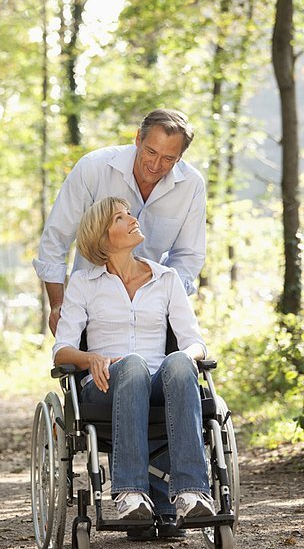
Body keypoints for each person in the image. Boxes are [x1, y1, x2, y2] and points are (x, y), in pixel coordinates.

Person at [53, 197, 214, 528]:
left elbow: (195, 342)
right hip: (106, 384)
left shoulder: (166, 279)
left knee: (180, 363)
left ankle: (191, 492)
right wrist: (90, 357)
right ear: (102, 237)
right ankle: (130, 492)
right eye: (119, 218)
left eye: (130, 213)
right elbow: (61, 350)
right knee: (131, 364)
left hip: (159, 385)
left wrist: (187, 357)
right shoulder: (84, 284)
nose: (131, 219)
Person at [34, 109, 206, 337]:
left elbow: (189, 255)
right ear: (138, 139)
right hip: (89, 306)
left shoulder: (191, 186)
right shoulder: (93, 169)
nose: (155, 165)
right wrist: (58, 304)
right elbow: (56, 238)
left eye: (168, 159)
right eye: (150, 152)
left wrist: (167, 299)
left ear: (180, 157)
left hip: (153, 311)